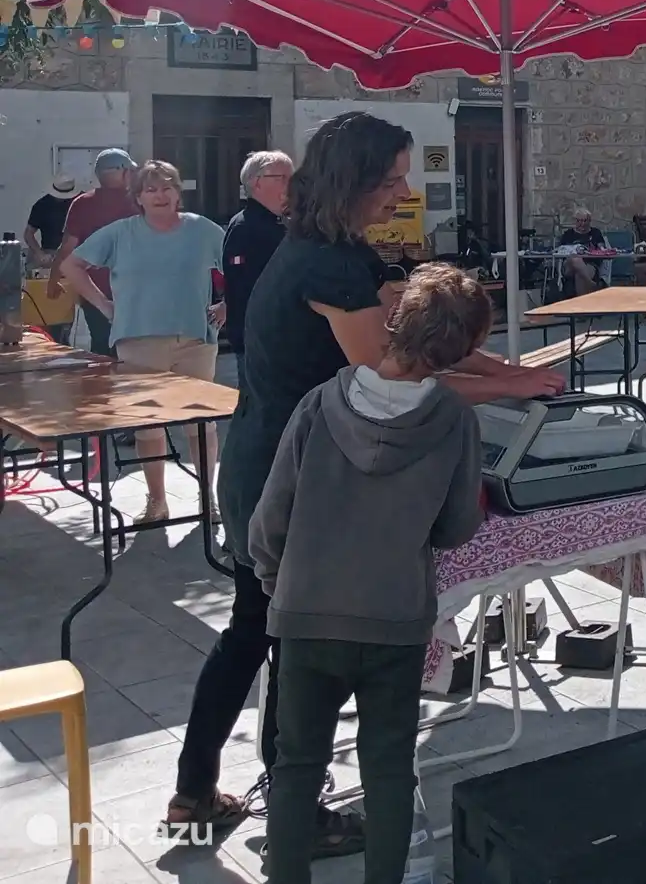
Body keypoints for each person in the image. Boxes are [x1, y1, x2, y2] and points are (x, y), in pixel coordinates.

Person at [165, 111, 563, 851]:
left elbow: (414, 333)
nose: (401, 191)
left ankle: (200, 793)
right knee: (282, 635)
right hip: (283, 476)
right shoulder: (328, 264)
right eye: (390, 179)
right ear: (352, 182)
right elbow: (391, 370)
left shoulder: (334, 248)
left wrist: (513, 372)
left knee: (258, 632)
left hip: (271, 459)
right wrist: (513, 388)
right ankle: (295, 812)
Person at [250, 263, 490, 884]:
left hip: (307, 613)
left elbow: (271, 516)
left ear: (395, 322)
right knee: (388, 767)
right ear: (462, 348)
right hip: (393, 617)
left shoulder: (318, 405)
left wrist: (280, 584)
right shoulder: (455, 421)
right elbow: (457, 525)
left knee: (297, 762)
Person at [61, 159, 225, 525]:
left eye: (167, 186)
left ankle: (207, 499)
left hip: (194, 340)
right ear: (138, 197)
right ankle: (156, 501)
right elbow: (71, 266)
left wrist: (229, 304)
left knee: (201, 423)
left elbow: (241, 266)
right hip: (137, 342)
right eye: (151, 189)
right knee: (148, 425)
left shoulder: (203, 230)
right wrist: (103, 304)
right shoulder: (120, 233)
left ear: (178, 193)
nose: (160, 194)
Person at [51, 149, 141, 354]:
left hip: (93, 293)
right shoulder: (140, 202)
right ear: (123, 172)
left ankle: (101, 385)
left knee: (101, 345)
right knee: (136, 351)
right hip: (135, 292)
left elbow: (66, 246)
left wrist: (53, 280)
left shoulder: (82, 203)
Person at [224, 151, 294, 356]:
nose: (291, 184)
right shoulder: (244, 226)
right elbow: (243, 288)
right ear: (256, 183)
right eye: (283, 178)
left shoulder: (286, 223)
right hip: (260, 341)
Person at [23, 173, 78, 268]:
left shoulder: (82, 203)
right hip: (50, 252)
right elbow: (28, 234)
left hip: (76, 252)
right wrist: (40, 254)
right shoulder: (42, 205)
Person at [554, 206, 608, 296]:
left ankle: (581, 306)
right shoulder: (568, 234)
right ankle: (591, 284)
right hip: (569, 266)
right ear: (575, 221)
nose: (582, 224)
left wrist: (598, 250)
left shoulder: (595, 233)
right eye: (579, 221)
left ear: (589, 221)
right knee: (575, 259)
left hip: (590, 264)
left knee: (579, 275)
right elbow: (561, 250)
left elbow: (602, 249)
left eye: (585, 221)